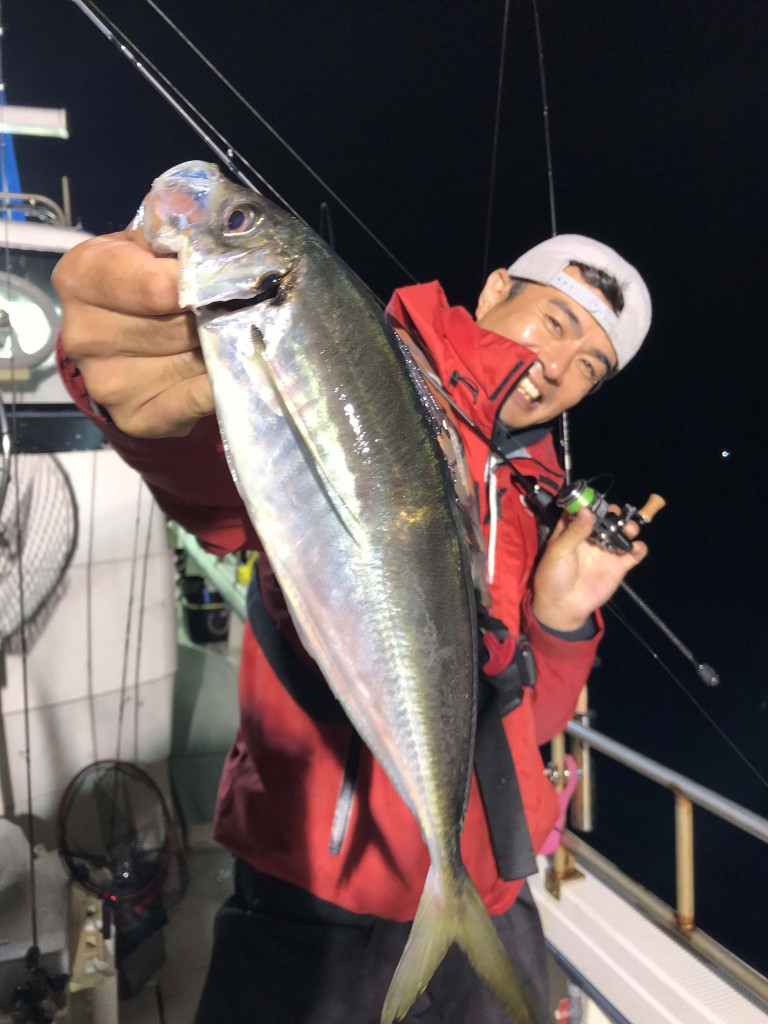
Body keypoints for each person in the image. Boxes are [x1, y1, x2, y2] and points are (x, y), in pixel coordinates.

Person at [53, 219, 651, 1023]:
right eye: (556, 321)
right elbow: (221, 487)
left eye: (590, 367)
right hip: (317, 892)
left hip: (489, 886)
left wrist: (562, 616)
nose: (559, 366)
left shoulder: (535, 495)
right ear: (495, 290)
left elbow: (527, 725)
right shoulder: (361, 367)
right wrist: (135, 388)